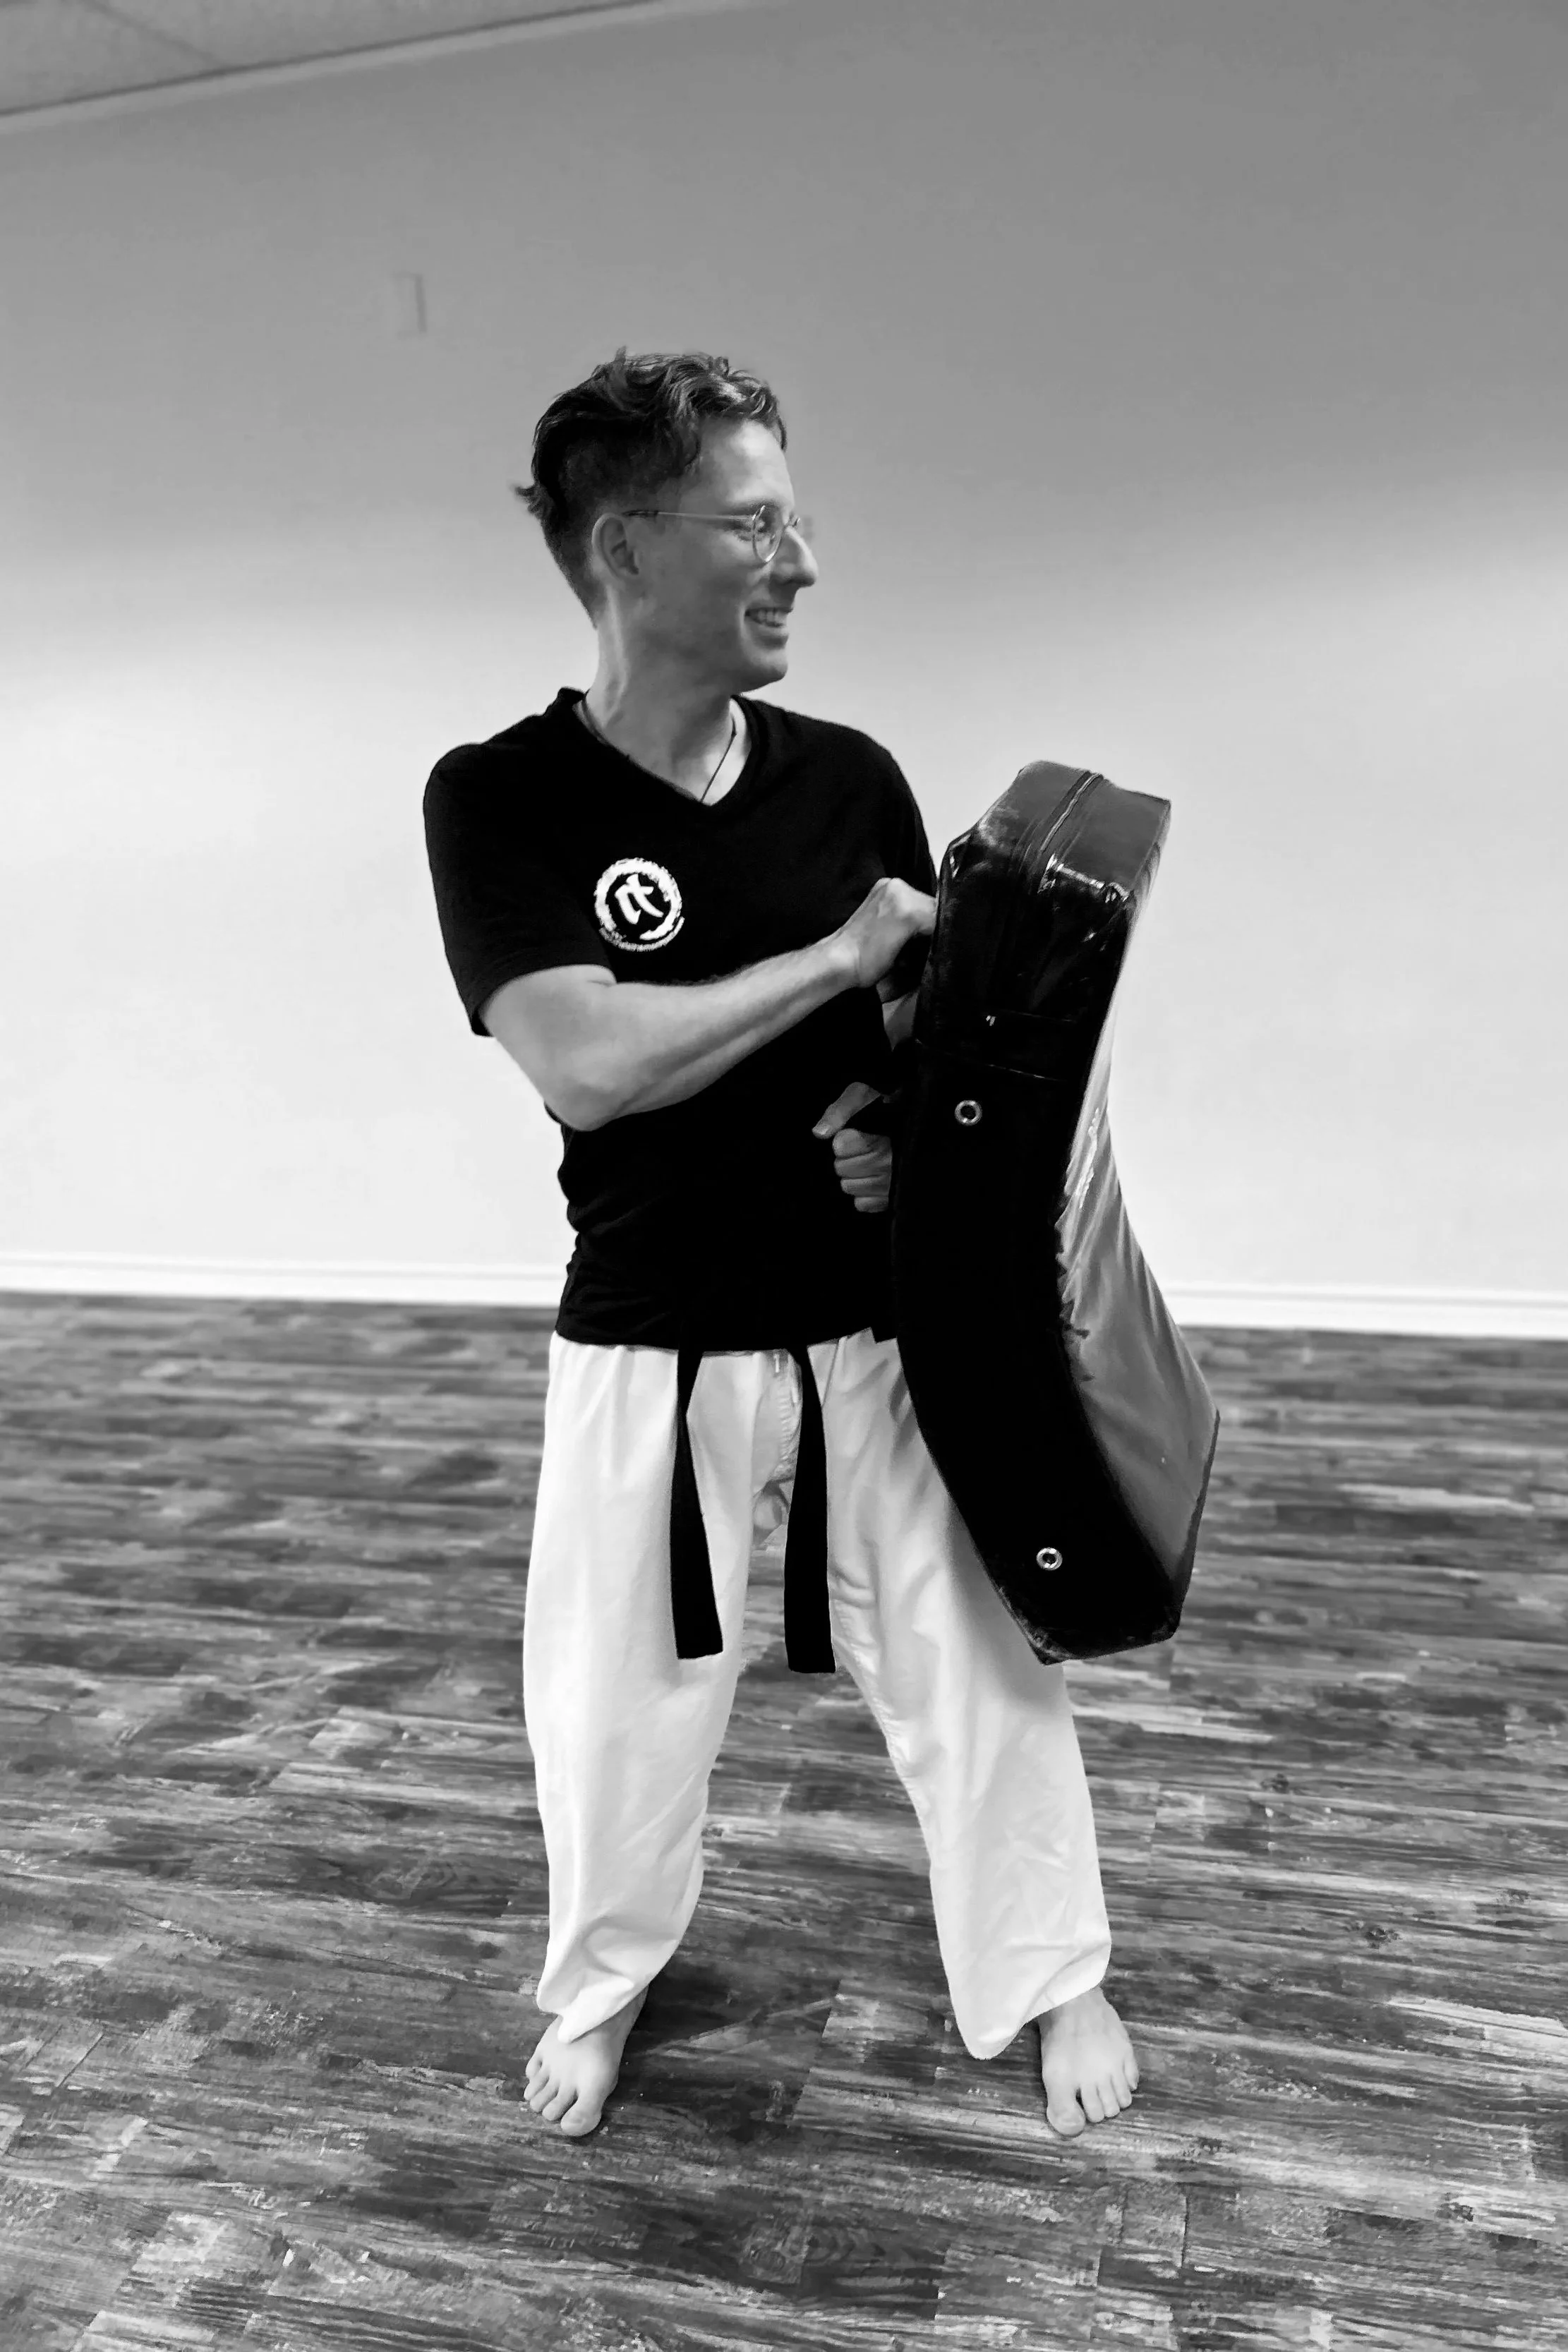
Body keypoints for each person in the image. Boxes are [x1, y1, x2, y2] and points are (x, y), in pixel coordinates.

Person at [421, 347, 1138, 2143]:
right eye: (753, 525)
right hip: (649, 1332)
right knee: (615, 1708)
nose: (798, 561)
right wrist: (828, 960)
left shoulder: (847, 780)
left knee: (981, 1668)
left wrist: (903, 1119)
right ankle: (602, 1982)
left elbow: (918, 1043)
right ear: (625, 549)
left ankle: (1054, 1968)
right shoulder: (501, 797)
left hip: (867, 1328)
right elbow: (586, 1062)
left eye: (795, 521)